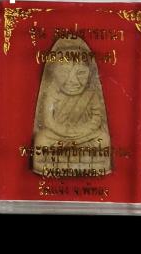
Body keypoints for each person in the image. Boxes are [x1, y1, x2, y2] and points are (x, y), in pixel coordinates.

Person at [32, 37, 112, 176]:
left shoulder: (91, 94)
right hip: (57, 135)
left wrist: (80, 132)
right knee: (41, 139)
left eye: (81, 73)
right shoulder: (52, 93)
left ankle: (70, 161)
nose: (73, 80)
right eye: (64, 72)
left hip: (85, 135)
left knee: (103, 139)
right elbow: (48, 121)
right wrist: (65, 132)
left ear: (89, 73)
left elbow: (97, 119)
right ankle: (79, 162)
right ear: (54, 73)